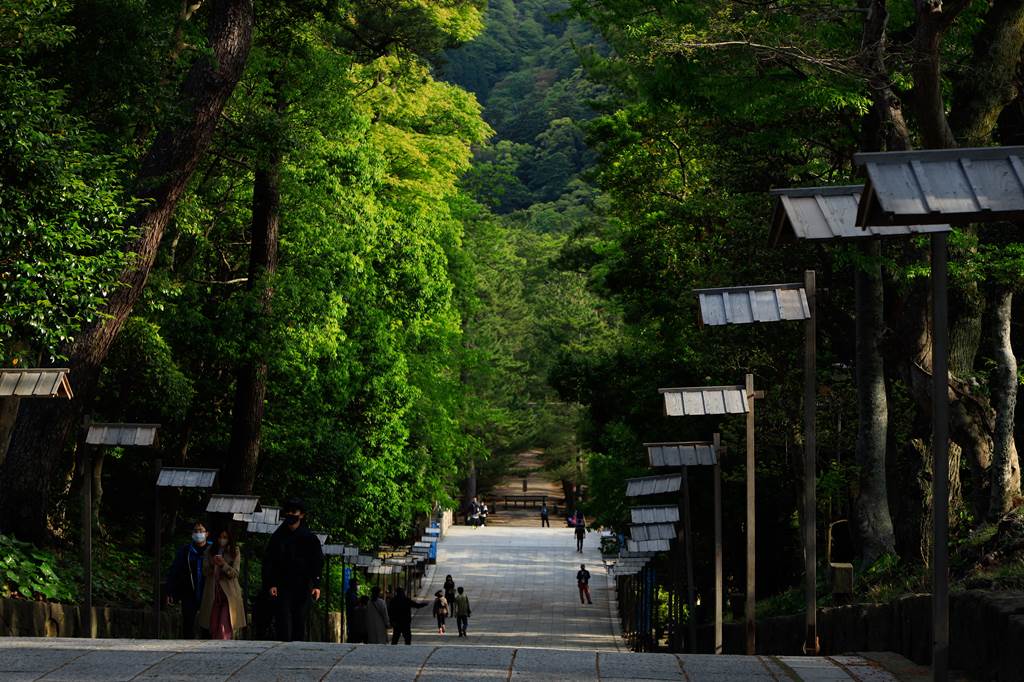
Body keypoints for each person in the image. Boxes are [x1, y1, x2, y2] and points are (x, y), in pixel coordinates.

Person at [263, 497, 324, 642]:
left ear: (301, 515)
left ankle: (297, 648)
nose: (290, 514)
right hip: (282, 585)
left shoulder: (310, 538)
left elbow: (317, 562)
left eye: (294, 511)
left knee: (299, 620)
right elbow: (269, 561)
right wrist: (270, 583)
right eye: (288, 511)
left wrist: (316, 585)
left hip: (303, 585)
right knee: (283, 620)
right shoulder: (277, 538)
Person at [164, 521, 210, 638]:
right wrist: (170, 591)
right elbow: (175, 570)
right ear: (192, 534)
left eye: (201, 531)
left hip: (208, 593)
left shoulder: (212, 550)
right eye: (195, 531)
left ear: (207, 534)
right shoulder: (185, 551)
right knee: (188, 622)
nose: (198, 533)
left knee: (207, 624)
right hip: (189, 591)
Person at [198, 529, 246, 640]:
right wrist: (213, 564)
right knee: (213, 625)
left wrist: (223, 565)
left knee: (224, 625)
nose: (222, 540)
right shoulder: (209, 550)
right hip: (213, 594)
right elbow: (205, 571)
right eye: (220, 537)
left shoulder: (235, 551)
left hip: (229, 595)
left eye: (225, 537)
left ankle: (223, 648)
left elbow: (235, 573)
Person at [345, 578, 360, 643]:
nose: (357, 586)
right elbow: (353, 604)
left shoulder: (352, 593)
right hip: (352, 615)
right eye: (357, 584)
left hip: (352, 615)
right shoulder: (350, 593)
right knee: (352, 630)